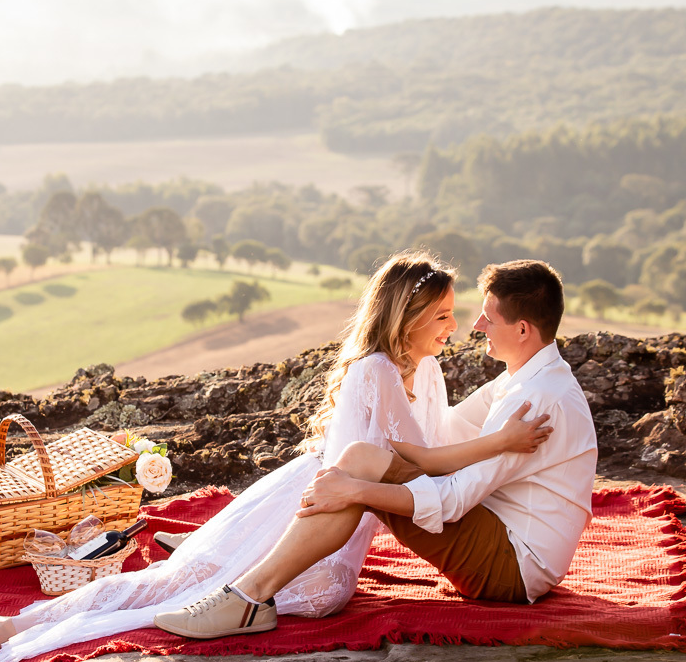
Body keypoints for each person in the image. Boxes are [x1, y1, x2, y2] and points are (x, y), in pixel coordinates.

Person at [0, 251, 552, 662]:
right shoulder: (375, 370)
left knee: (268, 590)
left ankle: (237, 598)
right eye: (444, 316)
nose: (457, 327)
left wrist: (503, 416)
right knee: (166, 588)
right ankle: (15, 628)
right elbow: (424, 458)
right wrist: (501, 444)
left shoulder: (428, 369)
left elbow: (439, 442)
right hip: (313, 506)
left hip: (341, 536)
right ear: (407, 319)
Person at [153, 259, 597, 639]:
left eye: (489, 318)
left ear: (522, 329)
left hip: (512, 566)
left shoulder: (536, 402)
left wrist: (357, 493)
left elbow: (453, 501)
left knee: (356, 472)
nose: (475, 325)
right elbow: (448, 434)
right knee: (361, 458)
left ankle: (248, 598)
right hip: (501, 539)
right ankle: (250, 593)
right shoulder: (525, 379)